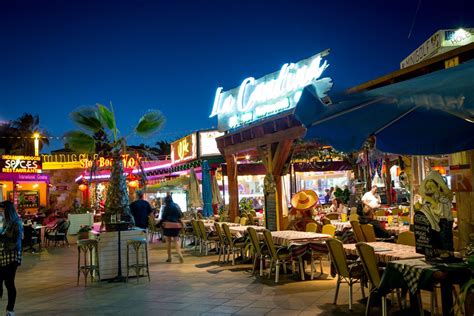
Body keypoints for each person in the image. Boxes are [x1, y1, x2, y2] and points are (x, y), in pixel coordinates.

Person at [0, 201, 23, 316]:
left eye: (2, 210)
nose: (1, 213)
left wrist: (2, 237)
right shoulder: (4, 222)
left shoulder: (16, 223)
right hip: (2, 255)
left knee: (9, 283)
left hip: (12, 255)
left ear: (8, 211)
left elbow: (15, 241)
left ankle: (10, 310)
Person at [159, 195, 184, 263]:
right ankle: (180, 255)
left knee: (168, 242)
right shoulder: (176, 205)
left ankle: (169, 257)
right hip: (176, 226)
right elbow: (181, 215)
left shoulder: (166, 207)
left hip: (168, 226)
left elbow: (163, 217)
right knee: (175, 241)